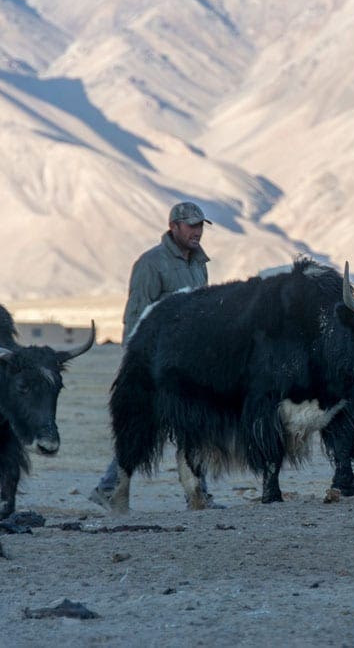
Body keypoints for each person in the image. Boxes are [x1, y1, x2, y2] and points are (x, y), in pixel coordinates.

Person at [89, 201, 220, 509]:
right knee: (142, 426)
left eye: (201, 225)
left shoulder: (199, 264)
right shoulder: (151, 263)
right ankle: (109, 488)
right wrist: (137, 364)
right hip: (156, 364)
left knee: (194, 426)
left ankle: (197, 494)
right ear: (173, 226)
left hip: (190, 365)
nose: (197, 231)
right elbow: (136, 315)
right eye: (191, 225)